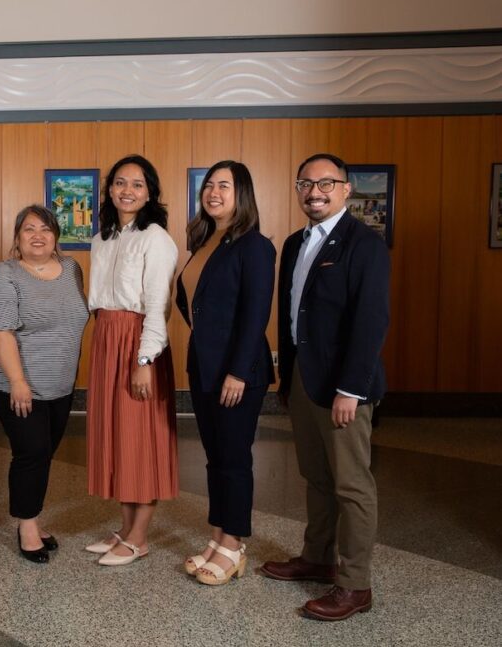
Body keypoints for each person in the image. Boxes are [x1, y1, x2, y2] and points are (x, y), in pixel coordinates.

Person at [261, 153, 390, 621]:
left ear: (345, 190)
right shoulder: (296, 244)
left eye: (326, 183)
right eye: (306, 183)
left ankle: (355, 584)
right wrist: (286, 376)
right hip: (302, 380)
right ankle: (316, 557)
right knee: (316, 477)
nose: (314, 191)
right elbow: (292, 312)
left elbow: (371, 322)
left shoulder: (364, 245)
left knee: (352, 485)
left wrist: (351, 389)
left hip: (343, 389)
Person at [175, 160, 276, 585]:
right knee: (215, 458)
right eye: (209, 185)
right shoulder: (205, 240)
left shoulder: (254, 246)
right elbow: (190, 300)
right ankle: (218, 536)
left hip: (238, 372)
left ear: (243, 193)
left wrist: (237, 369)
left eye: (225, 186)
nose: (214, 192)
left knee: (234, 459)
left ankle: (234, 546)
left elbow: (256, 315)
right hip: (204, 367)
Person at [84, 154, 179, 566]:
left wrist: (144, 359)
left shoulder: (156, 237)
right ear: (109, 189)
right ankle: (124, 529)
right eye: (120, 182)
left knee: (142, 439)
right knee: (117, 437)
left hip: (138, 342)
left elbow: (158, 303)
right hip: (107, 338)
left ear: (150, 193)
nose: (127, 191)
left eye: (137, 184)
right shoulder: (102, 237)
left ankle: (139, 537)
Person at [0, 205, 89, 563]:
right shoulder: (5, 273)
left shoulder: (72, 269)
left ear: (56, 235)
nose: (38, 236)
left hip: (60, 383)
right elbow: (0, 330)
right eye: (29, 229)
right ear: (17, 237)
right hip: (18, 383)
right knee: (31, 453)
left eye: (45, 229)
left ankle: (33, 517)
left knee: (46, 452)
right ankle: (27, 527)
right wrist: (17, 381)